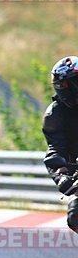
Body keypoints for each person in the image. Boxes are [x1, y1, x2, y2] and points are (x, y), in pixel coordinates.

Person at [43, 56, 78, 232]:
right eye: (61, 86)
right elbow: (55, 149)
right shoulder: (55, 114)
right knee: (75, 216)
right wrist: (62, 175)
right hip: (77, 169)